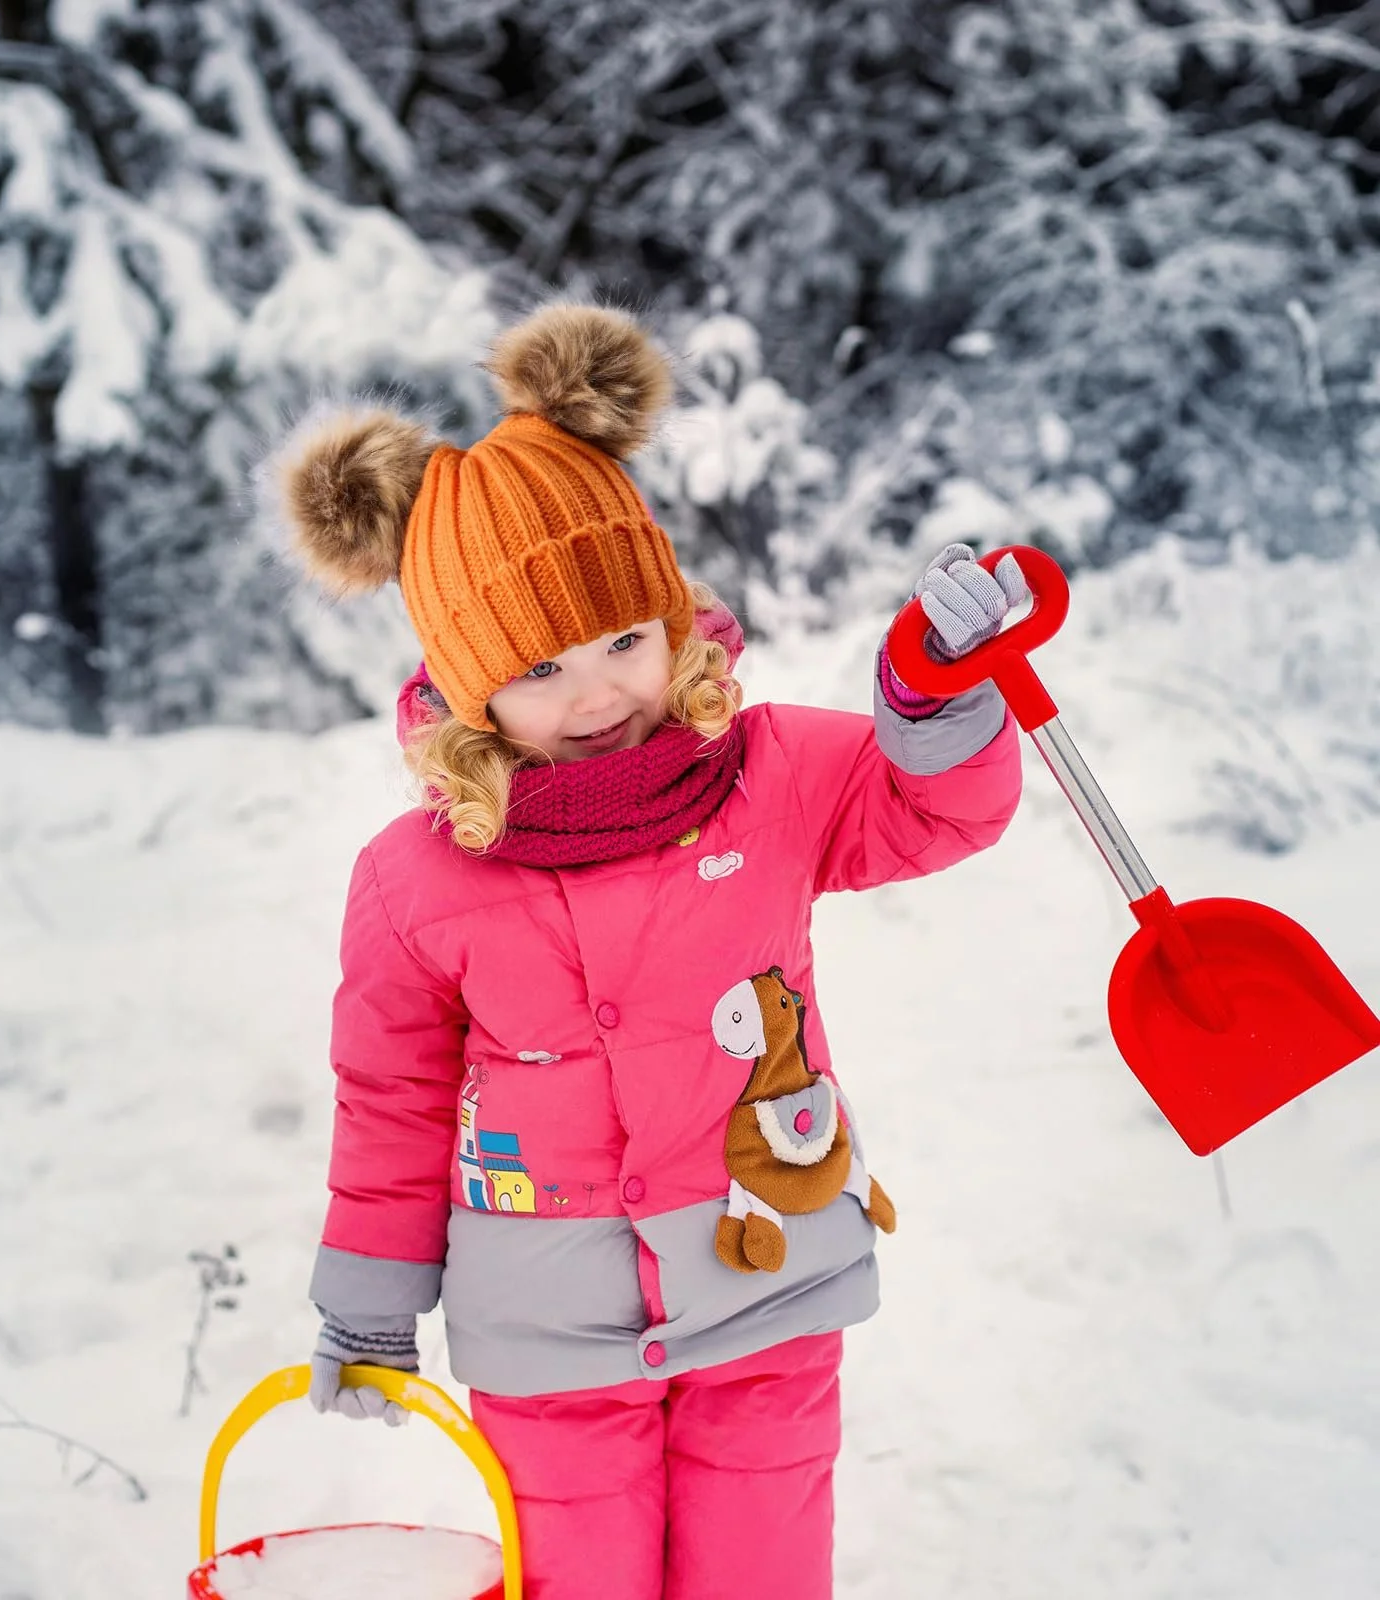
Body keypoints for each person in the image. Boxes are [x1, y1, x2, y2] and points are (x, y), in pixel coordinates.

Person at [256, 304, 1027, 1600]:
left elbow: (935, 810)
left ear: (673, 618)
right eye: (542, 664)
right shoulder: (417, 879)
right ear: (466, 688)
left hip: (767, 1281)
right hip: (547, 1341)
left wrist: (938, 693)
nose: (601, 689)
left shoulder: (770, 774)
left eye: (625, 637)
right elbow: (389, 1102)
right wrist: (373, 1300)